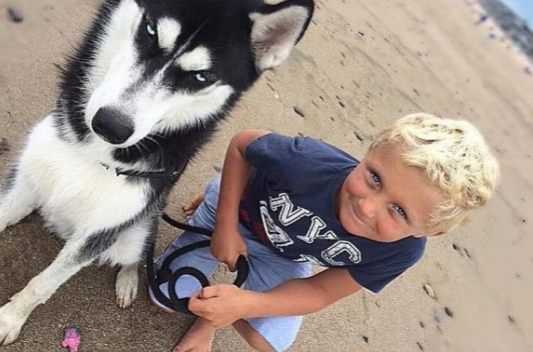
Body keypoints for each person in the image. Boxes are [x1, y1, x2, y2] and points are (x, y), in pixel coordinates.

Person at [149, 113, 499, 352]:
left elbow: (319, 291)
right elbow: (243, 145)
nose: (367, 207)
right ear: (369, 153)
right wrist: (225, 226)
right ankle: (215, 196)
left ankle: (212, 316)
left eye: (400, 211)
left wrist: (235, 309)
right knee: (163, 298)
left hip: (284, 250)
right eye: (374, 177)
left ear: (430, 232)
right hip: (239, 211)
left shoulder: (401, 252)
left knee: (267, 342)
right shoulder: (307, 162)